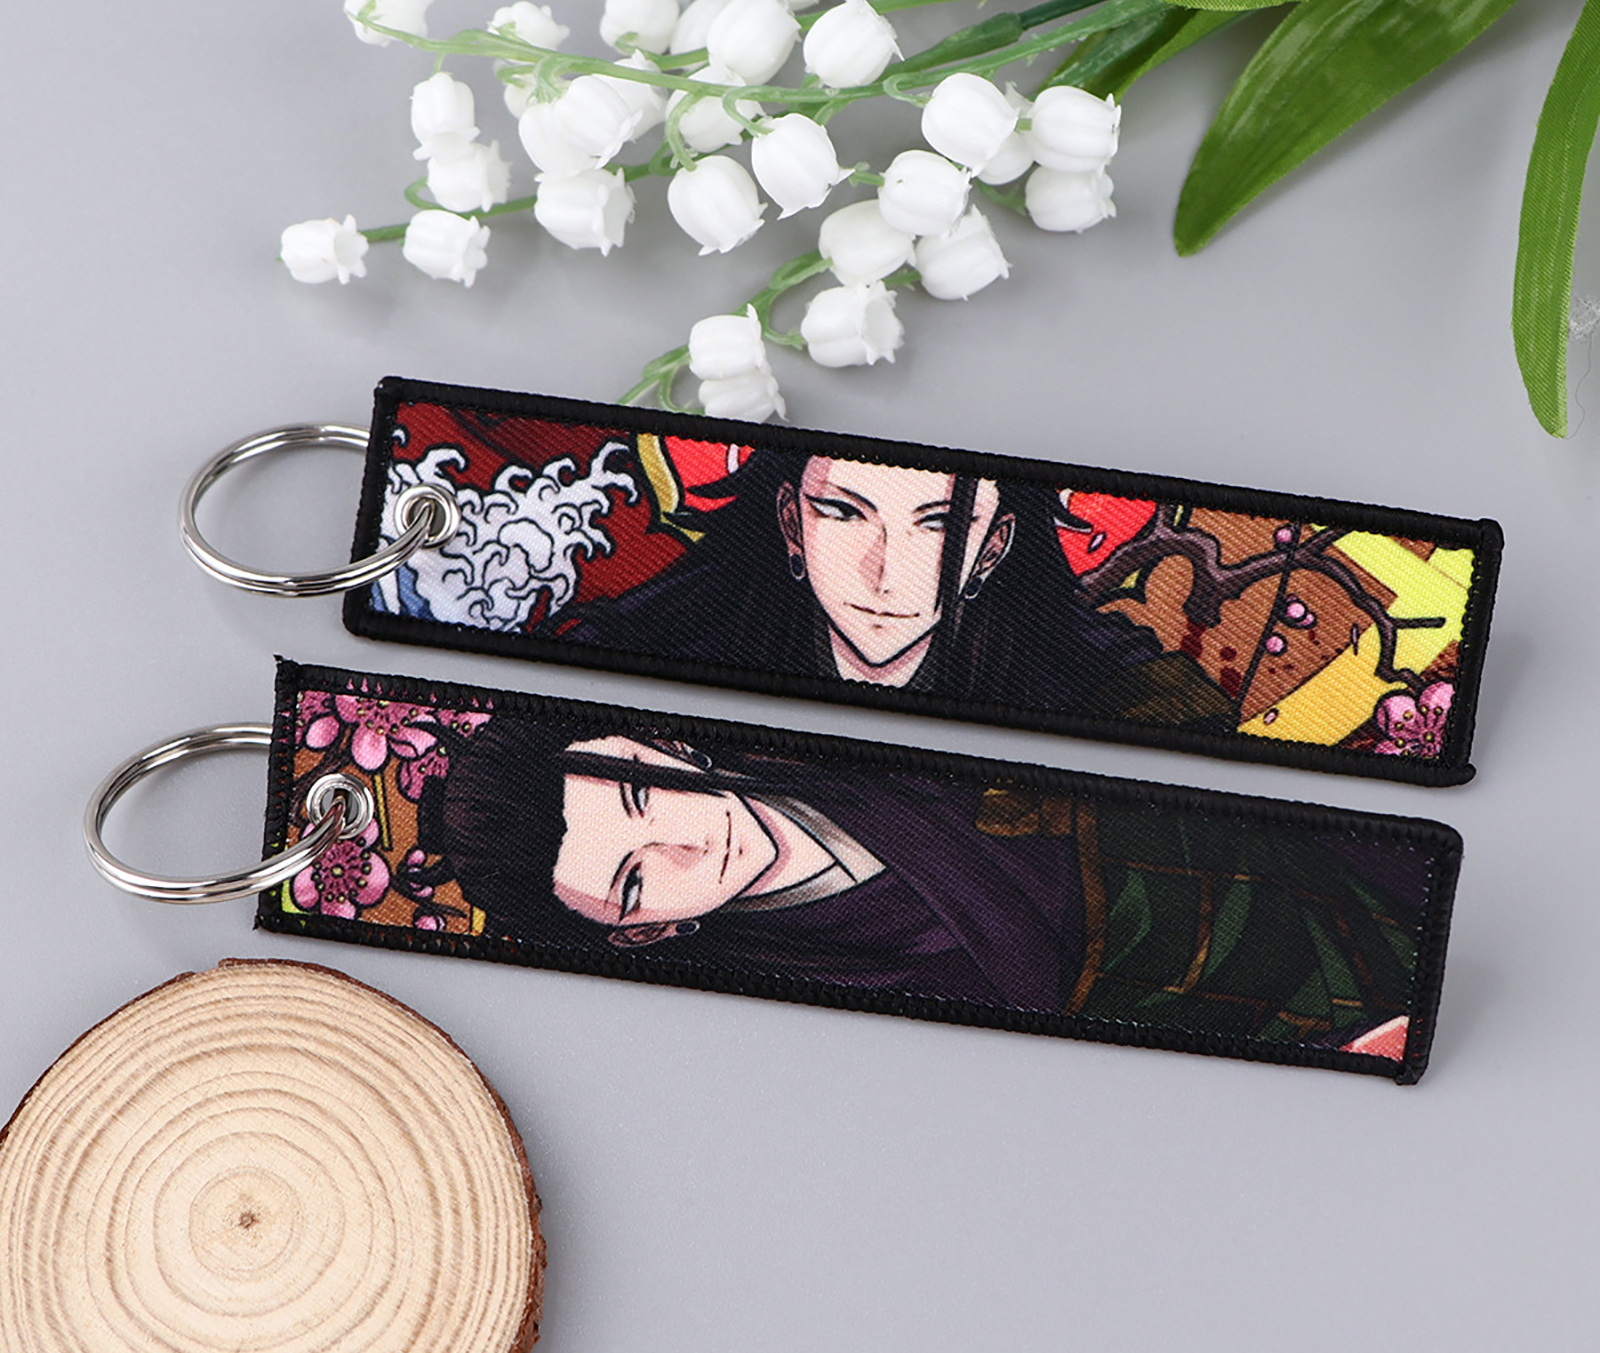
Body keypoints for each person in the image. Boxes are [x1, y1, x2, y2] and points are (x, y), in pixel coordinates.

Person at [422, 713, 1432, 1051]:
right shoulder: (809, 986)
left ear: (665, 745)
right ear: (638, 937)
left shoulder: (870, 748)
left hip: (1356, 892)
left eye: (649, 795)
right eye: (636, 882)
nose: (689, 844)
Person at [565, 448, 1234, 727]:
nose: (885, 572)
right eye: (843, 512)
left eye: (939, 524)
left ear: (993, 547)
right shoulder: (683, 631)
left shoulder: (1080, 670)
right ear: (791, 524)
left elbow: (1173, 703)